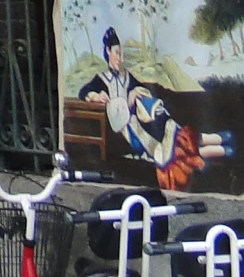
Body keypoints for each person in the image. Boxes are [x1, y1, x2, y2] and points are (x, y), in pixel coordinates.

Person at [77, 27, 233, 192]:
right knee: (171, 147)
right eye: (116, 53)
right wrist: (96, 95)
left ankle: (215, 142)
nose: (119, 58)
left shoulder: (127, 76)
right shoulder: (101, 79)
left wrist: (135, 93)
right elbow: (84, 92)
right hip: (126, 129)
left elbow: (143, 89)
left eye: (121, 53)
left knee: (166, 126)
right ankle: (217, 145)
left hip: (140, 119)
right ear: (108, 51)